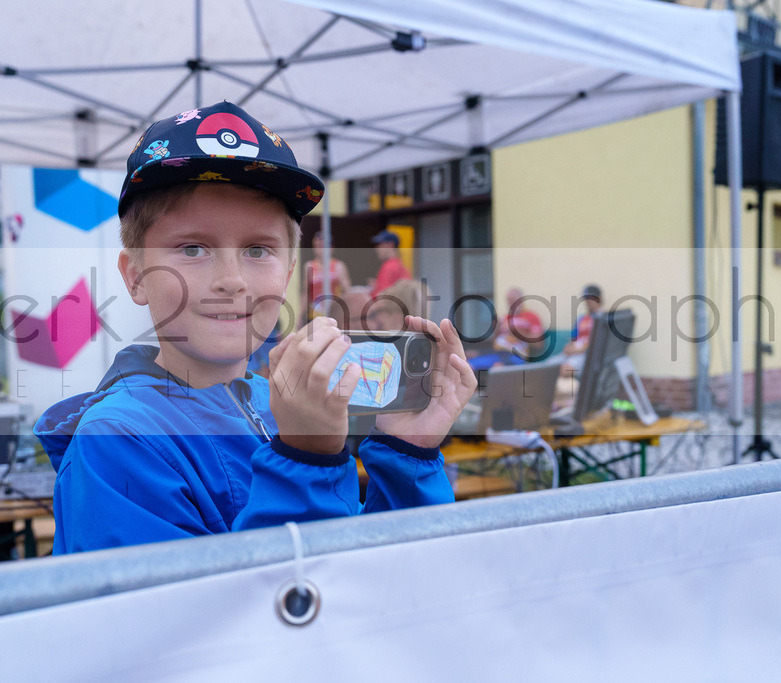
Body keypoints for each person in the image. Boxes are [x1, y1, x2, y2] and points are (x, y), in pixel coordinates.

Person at [33, 101, 477, 554]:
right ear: (136, 277)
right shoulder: (117, 441)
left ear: (288, 274)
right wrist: (305, 460)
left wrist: (407, 454)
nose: (232, 280)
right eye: (192, 248)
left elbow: (379, 573)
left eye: (258, 250)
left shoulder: (279, 403)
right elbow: (263, 598)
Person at [302, 231, 351, 323]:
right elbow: (305, 293)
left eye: (322, 246)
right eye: (316, 246)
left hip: (334, 315)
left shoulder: (338, 266)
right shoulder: (309, 266)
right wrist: (300, 317)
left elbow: (347, 291)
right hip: (315, 315)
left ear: (331, 248)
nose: (319, 249)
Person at [562, 284, 603, 371]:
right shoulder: (581, 319)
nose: (589, 301)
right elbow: (573, 339)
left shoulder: (604, 319)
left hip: (588, 356)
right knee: (549, 365)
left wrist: (579, 350)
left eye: (592, 298)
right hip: (574, 353)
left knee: (564, 369)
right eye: (587, 298)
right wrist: (569, 348)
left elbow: (601, 345)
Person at [369, 229, 411, 298]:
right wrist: (377, 285)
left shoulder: (390, 266)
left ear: (390, 245)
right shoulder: (398, 265)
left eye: (380, 245)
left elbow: (382, 297)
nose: (377, 249)